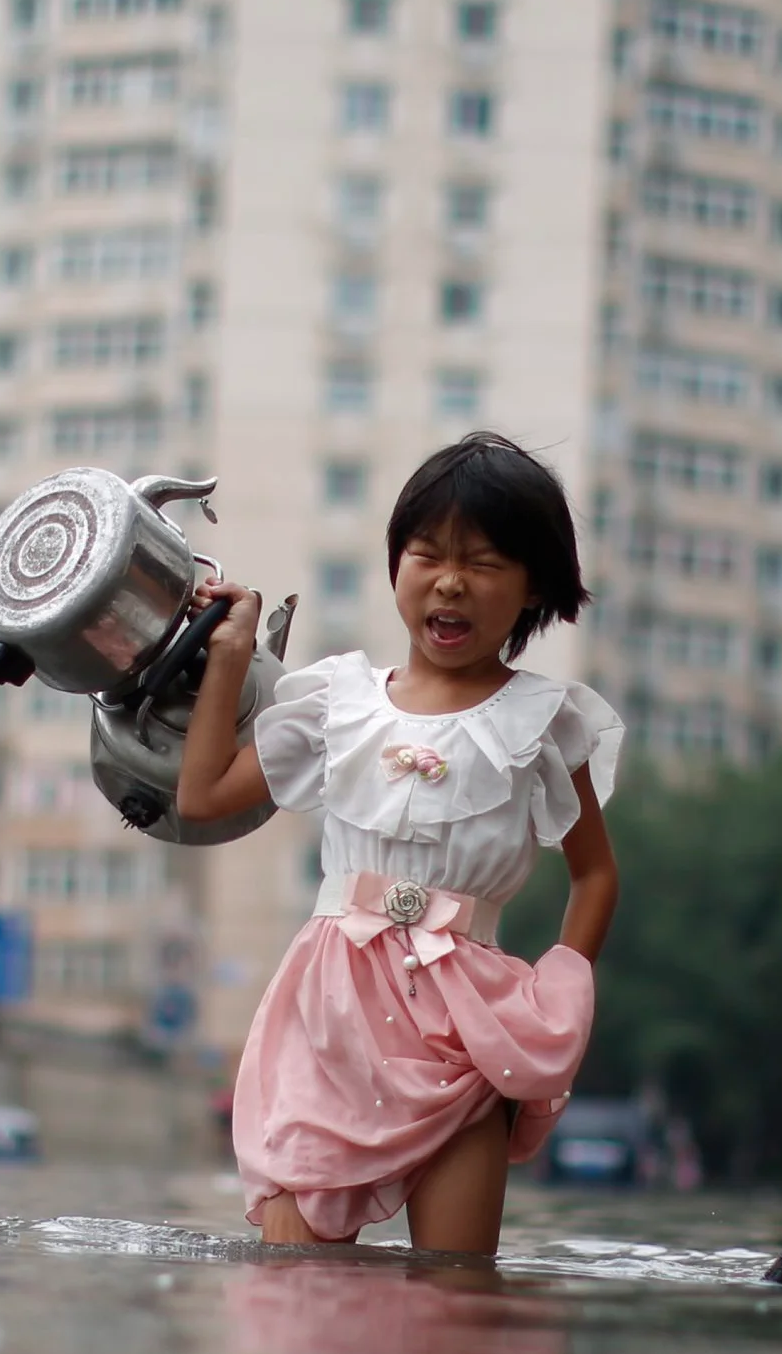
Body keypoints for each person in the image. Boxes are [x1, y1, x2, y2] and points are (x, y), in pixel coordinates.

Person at [172, 433, 623, 1258]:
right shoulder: (335, 702)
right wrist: (230, 659)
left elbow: (594, 876)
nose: (449, 581)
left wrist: (556, 1002)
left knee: (454, 1297)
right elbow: (201, 799)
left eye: (484, 562)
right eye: (427, 553)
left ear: (534, 588)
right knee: (293, 1282)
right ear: (395, 563)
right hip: (328, 1019)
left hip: (469, 1034)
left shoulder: (548, 722)